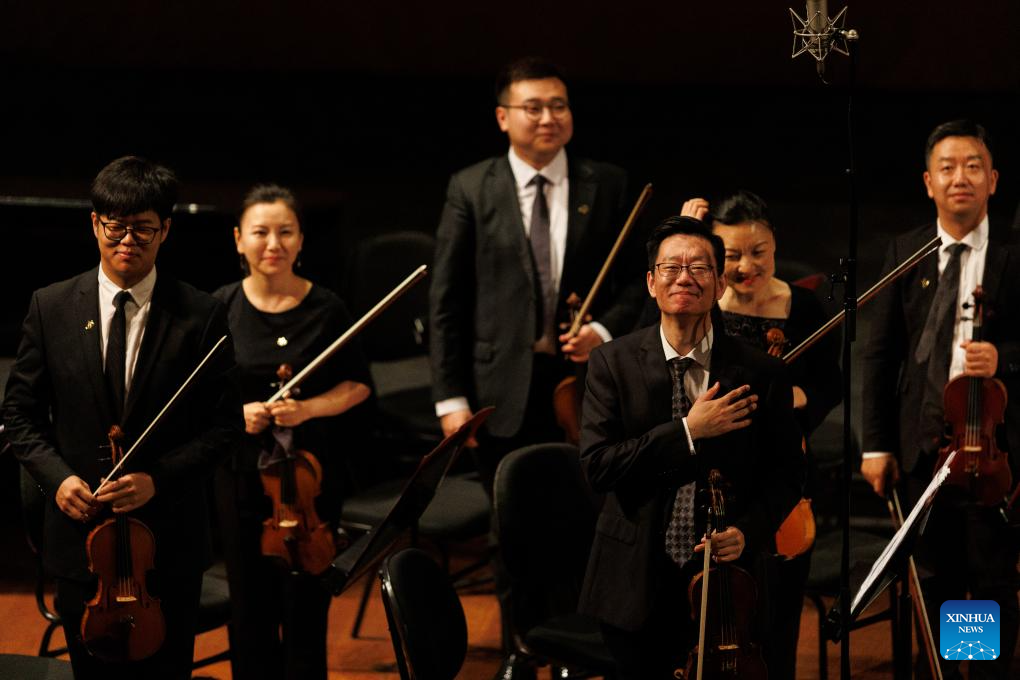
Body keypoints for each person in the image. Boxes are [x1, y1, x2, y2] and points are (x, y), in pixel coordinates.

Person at [429, 56, 643, 676]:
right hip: (503, 390)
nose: (549, 117)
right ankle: (522, 657)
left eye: (560, 105)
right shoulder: (471, 187)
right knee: (514, 538)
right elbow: (447, 301)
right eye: (534, 107)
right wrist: (450, 399)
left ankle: (584, 654)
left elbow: (635, 283)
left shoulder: (608, 183)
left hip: (587, 388)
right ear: (503, 118)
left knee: (591, 528)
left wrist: (602, 329)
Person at [3, 156, 242, 679]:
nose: (127, 240)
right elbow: (19, 415)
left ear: (166, 231)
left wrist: (157, 480)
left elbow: (226, 427)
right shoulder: (51, 306)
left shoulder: (201, 315)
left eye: (144, 229)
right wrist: (57, 479)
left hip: (167, 544)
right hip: (79, 542)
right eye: (115, 227)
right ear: (95, 225)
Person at [578, 215, 804, 678]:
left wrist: (749, 531)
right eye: (671, 268)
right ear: (650, 283)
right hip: (635, 576)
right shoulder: (611, 363)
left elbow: (788, 475)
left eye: (700, 268)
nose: (685, 277)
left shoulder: (761, 372)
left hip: (727, 579)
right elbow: (599, 467)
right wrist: (688, 431)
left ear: (720, 283)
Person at [860, 120, 1019, 679]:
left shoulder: (1012, 254)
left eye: (973, 166)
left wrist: (1005, 360)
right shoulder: (906, 253)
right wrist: (875, 444)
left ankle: (988, 672)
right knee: (939, 576)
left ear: (993, 180)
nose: (960, 178)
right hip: (925, 445)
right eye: (947, 168)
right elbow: (877, 356)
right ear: (928, 182)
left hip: (997, 451)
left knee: (993, 574)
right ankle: (955, 670)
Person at [212, 184, 373, 680]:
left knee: (306, 610)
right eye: (260, 232)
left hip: (312, 481)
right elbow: (197, 399)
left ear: (301, 240)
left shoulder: (327, 309)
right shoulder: (218, 309)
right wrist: (238, 413)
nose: (273, 243)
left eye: (285, 231)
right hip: (240, 480)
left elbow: (359, 387)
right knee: (249, 613)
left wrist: (308, 410)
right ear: (239, 240)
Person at [682, 190, 842, 679]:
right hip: (708, 478)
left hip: (779, 480)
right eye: (731, 255)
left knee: (774, 622)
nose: (747, 266)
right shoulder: (700, 306)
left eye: (760, 252)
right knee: (698, 623)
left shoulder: (806, 307)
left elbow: (828, 386)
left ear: (775, 246)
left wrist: (796, 399)